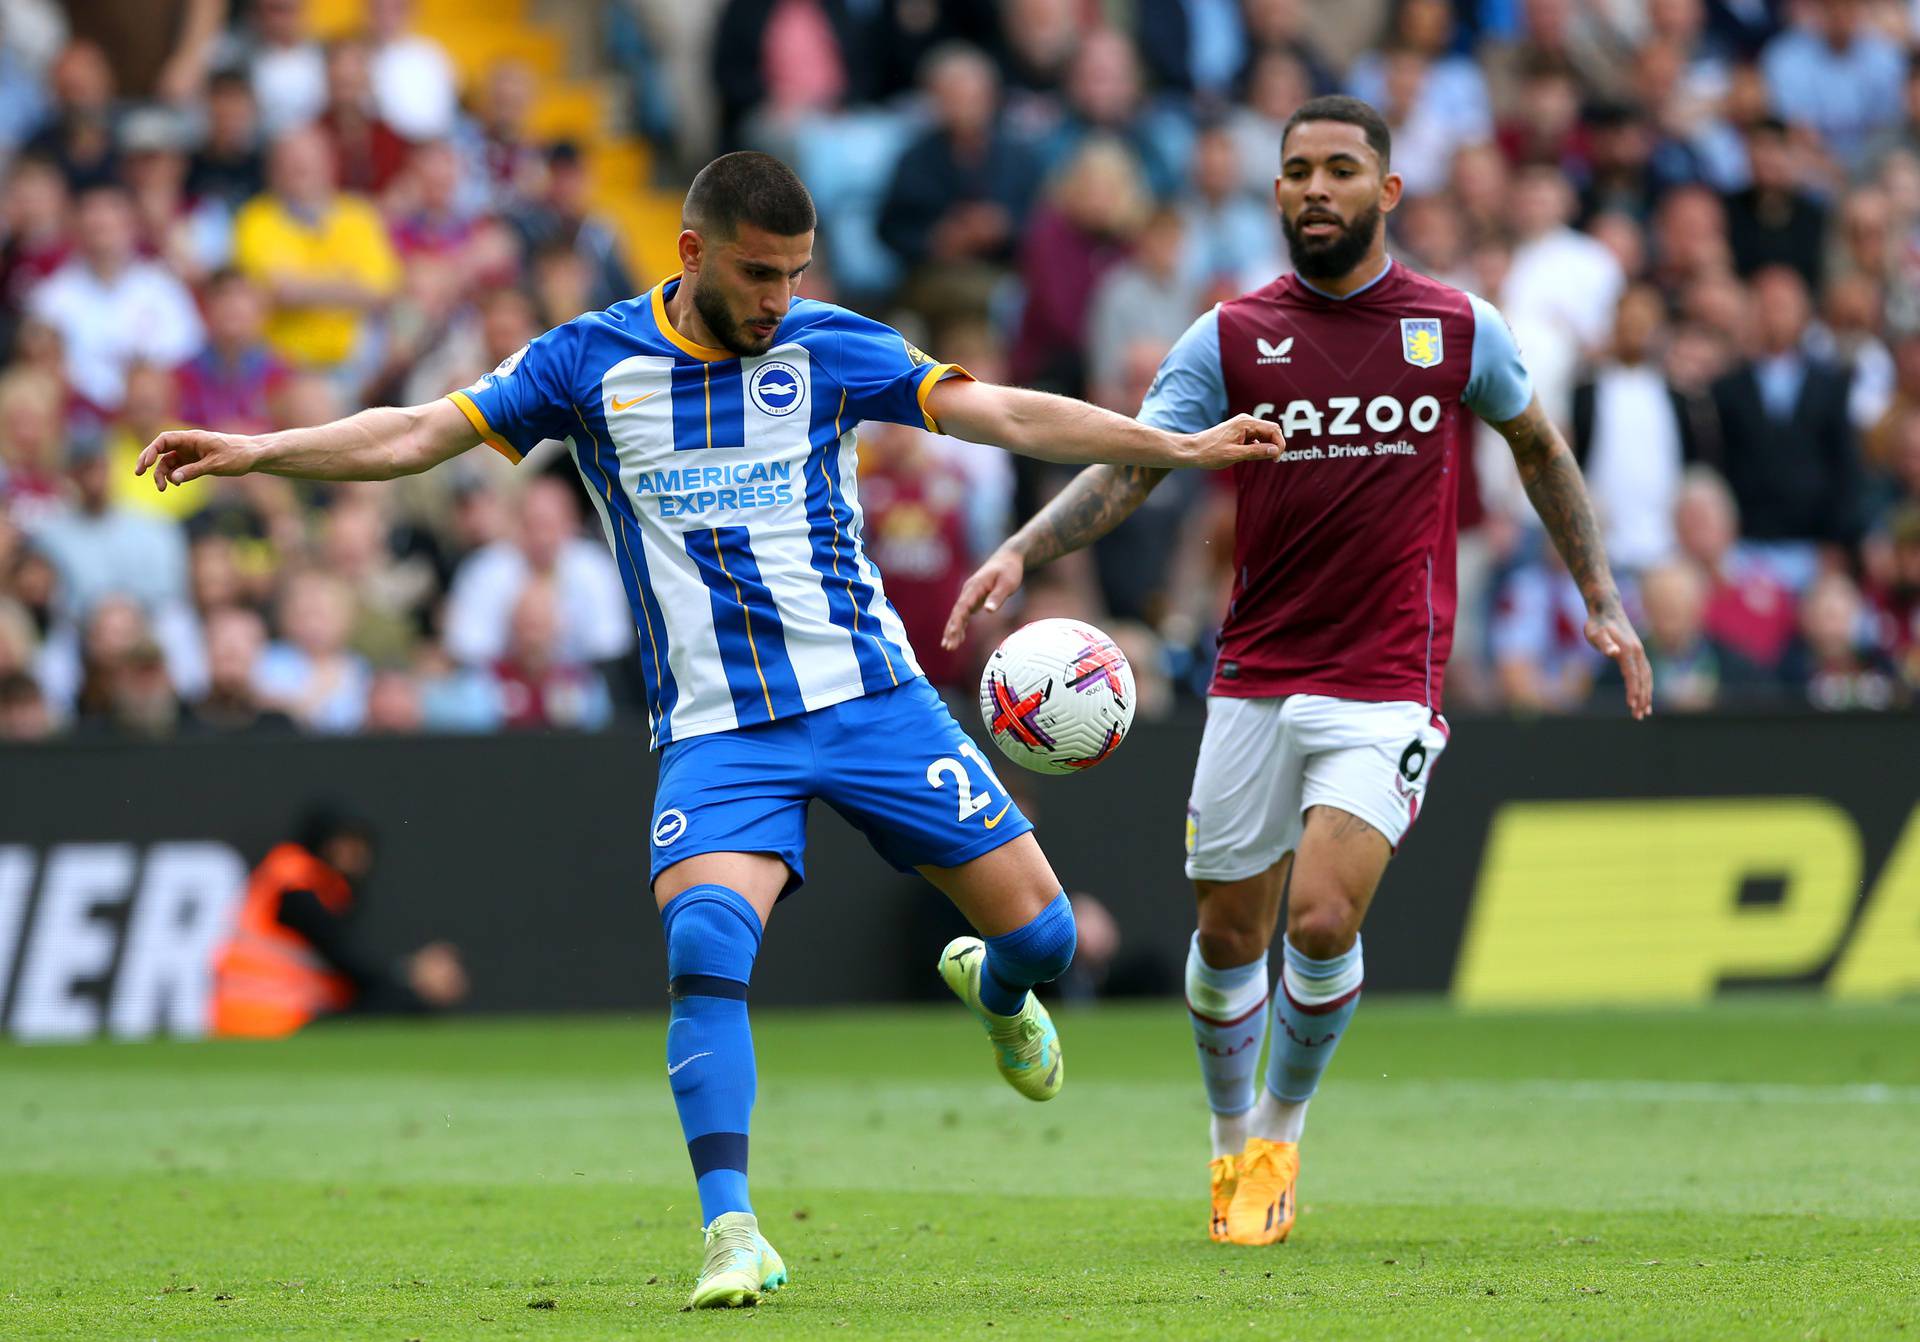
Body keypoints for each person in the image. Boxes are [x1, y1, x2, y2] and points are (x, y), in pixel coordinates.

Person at [135, 151, 1280, 1307]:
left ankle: (993, 989)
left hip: (873, 699)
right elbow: (420, 434)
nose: (780, 297)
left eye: (795, 273)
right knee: (704, 950)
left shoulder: (828, 344)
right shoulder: (587, 362)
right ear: (692, 254)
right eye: (758, 273)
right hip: (723, 732)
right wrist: (259, 450)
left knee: (1048, 944)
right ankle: (732, 1230)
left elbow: (997, 410)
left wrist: (1169, 447)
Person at [943, 96, 1650, 1249]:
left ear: (1388, 192)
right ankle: (1228, 1147)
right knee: (1230, 933)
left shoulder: (1458, 327)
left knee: (1320, 917)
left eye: (1338, 170)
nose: (1315, 189)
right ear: (1274, 194)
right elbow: (1137, 464)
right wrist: (1025, 549)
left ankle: (1278, 1131)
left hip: (1386, 678)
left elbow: (1539, 447)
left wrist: (1604, 598)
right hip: (1256, 673)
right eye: (1296, 172)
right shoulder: (1230, 336)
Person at [209, 807, 468, 1037]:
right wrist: (412, 974)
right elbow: (343, 956)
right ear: (322, 842)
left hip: (280, 1015)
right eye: (344, 843)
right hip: (268, 1020)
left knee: (392, 998)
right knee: (401, 999)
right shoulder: (294, 884)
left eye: (359, 844)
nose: (354, 854)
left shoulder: (323, 887)